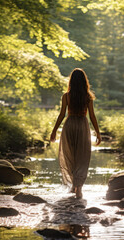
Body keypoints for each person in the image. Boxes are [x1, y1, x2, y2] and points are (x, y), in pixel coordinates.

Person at [50, 68, 101, 199]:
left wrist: (54, 131)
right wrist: (98, 133)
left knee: (70, 155)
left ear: (71, 81)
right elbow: (92, 117)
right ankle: (79, 188)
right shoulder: (88, 97)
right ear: (85, 81)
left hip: (70, 125)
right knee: (82, 157)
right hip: (83, 126)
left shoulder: (66, 96)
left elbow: (62, 115)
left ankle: (74, 185)